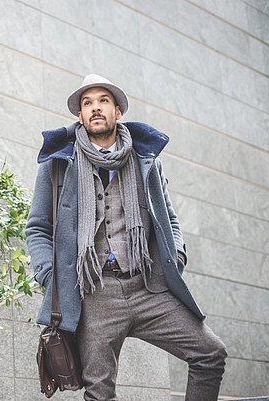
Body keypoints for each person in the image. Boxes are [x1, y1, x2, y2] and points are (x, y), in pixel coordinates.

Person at [25, 74, 227, 401]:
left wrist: (176, 255)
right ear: (80, 115)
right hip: (95, 294)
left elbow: (169, 219)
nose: (94, 108)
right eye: (87, 103)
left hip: (147, 285)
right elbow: (37, 228)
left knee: (210, 353)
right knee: (99, 394)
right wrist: (50, 276)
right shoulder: (58, 163)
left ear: (117, 110)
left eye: (103, 101)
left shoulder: (145, 160)